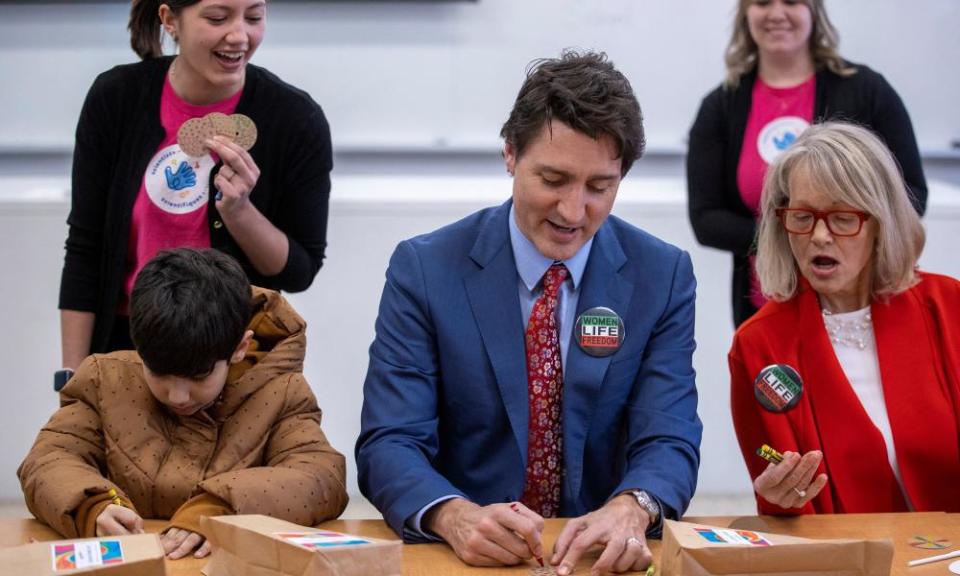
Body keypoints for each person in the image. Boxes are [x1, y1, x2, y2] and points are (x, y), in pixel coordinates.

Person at [356, 50, 701, 575]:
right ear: (511, 155)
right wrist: (453, 517)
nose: (571, 211)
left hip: (598, 557)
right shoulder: (426, 269)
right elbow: (390, 440)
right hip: (469, 557)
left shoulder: (662, 275)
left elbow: (669, 435)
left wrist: (634, 508)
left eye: (599, 187)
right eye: (554, 179)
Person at [58, 0, 333, 378]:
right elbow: (85, 249)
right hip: (126, 350)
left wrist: (239, 212)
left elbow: (299, 271)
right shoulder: (117, 97)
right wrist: (71, 377)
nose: (239, 35)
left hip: (236, 354)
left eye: (254, 17)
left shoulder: (295, 119)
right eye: (218, 18)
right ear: (170, 20)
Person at [21, 248, 348, 559]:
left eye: (199, 375)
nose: (177, 396)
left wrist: (219, 506)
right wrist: (92, 506)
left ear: (239, 348)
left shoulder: (282, 392)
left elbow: (321, 477)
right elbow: (49, 458)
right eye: (159, 372)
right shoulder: (103, 379)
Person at [729, 122, 960, 515]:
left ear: (879, 224)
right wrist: (778, 501)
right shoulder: (760, 346)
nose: (819, 236)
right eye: (802, 216)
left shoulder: (949, 306)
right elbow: (785, 506)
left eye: (841, 217)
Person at [687, 0, 927, 328]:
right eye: (762, 3)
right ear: (746, 14)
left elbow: (912, 195)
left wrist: (818, 231)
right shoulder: (722, 105)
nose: (776, 13)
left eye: (791, 1)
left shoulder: (867, 91)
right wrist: (796, 232)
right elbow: (706, 219)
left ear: (814, 11)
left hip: (864, 301)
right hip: (765, 305)